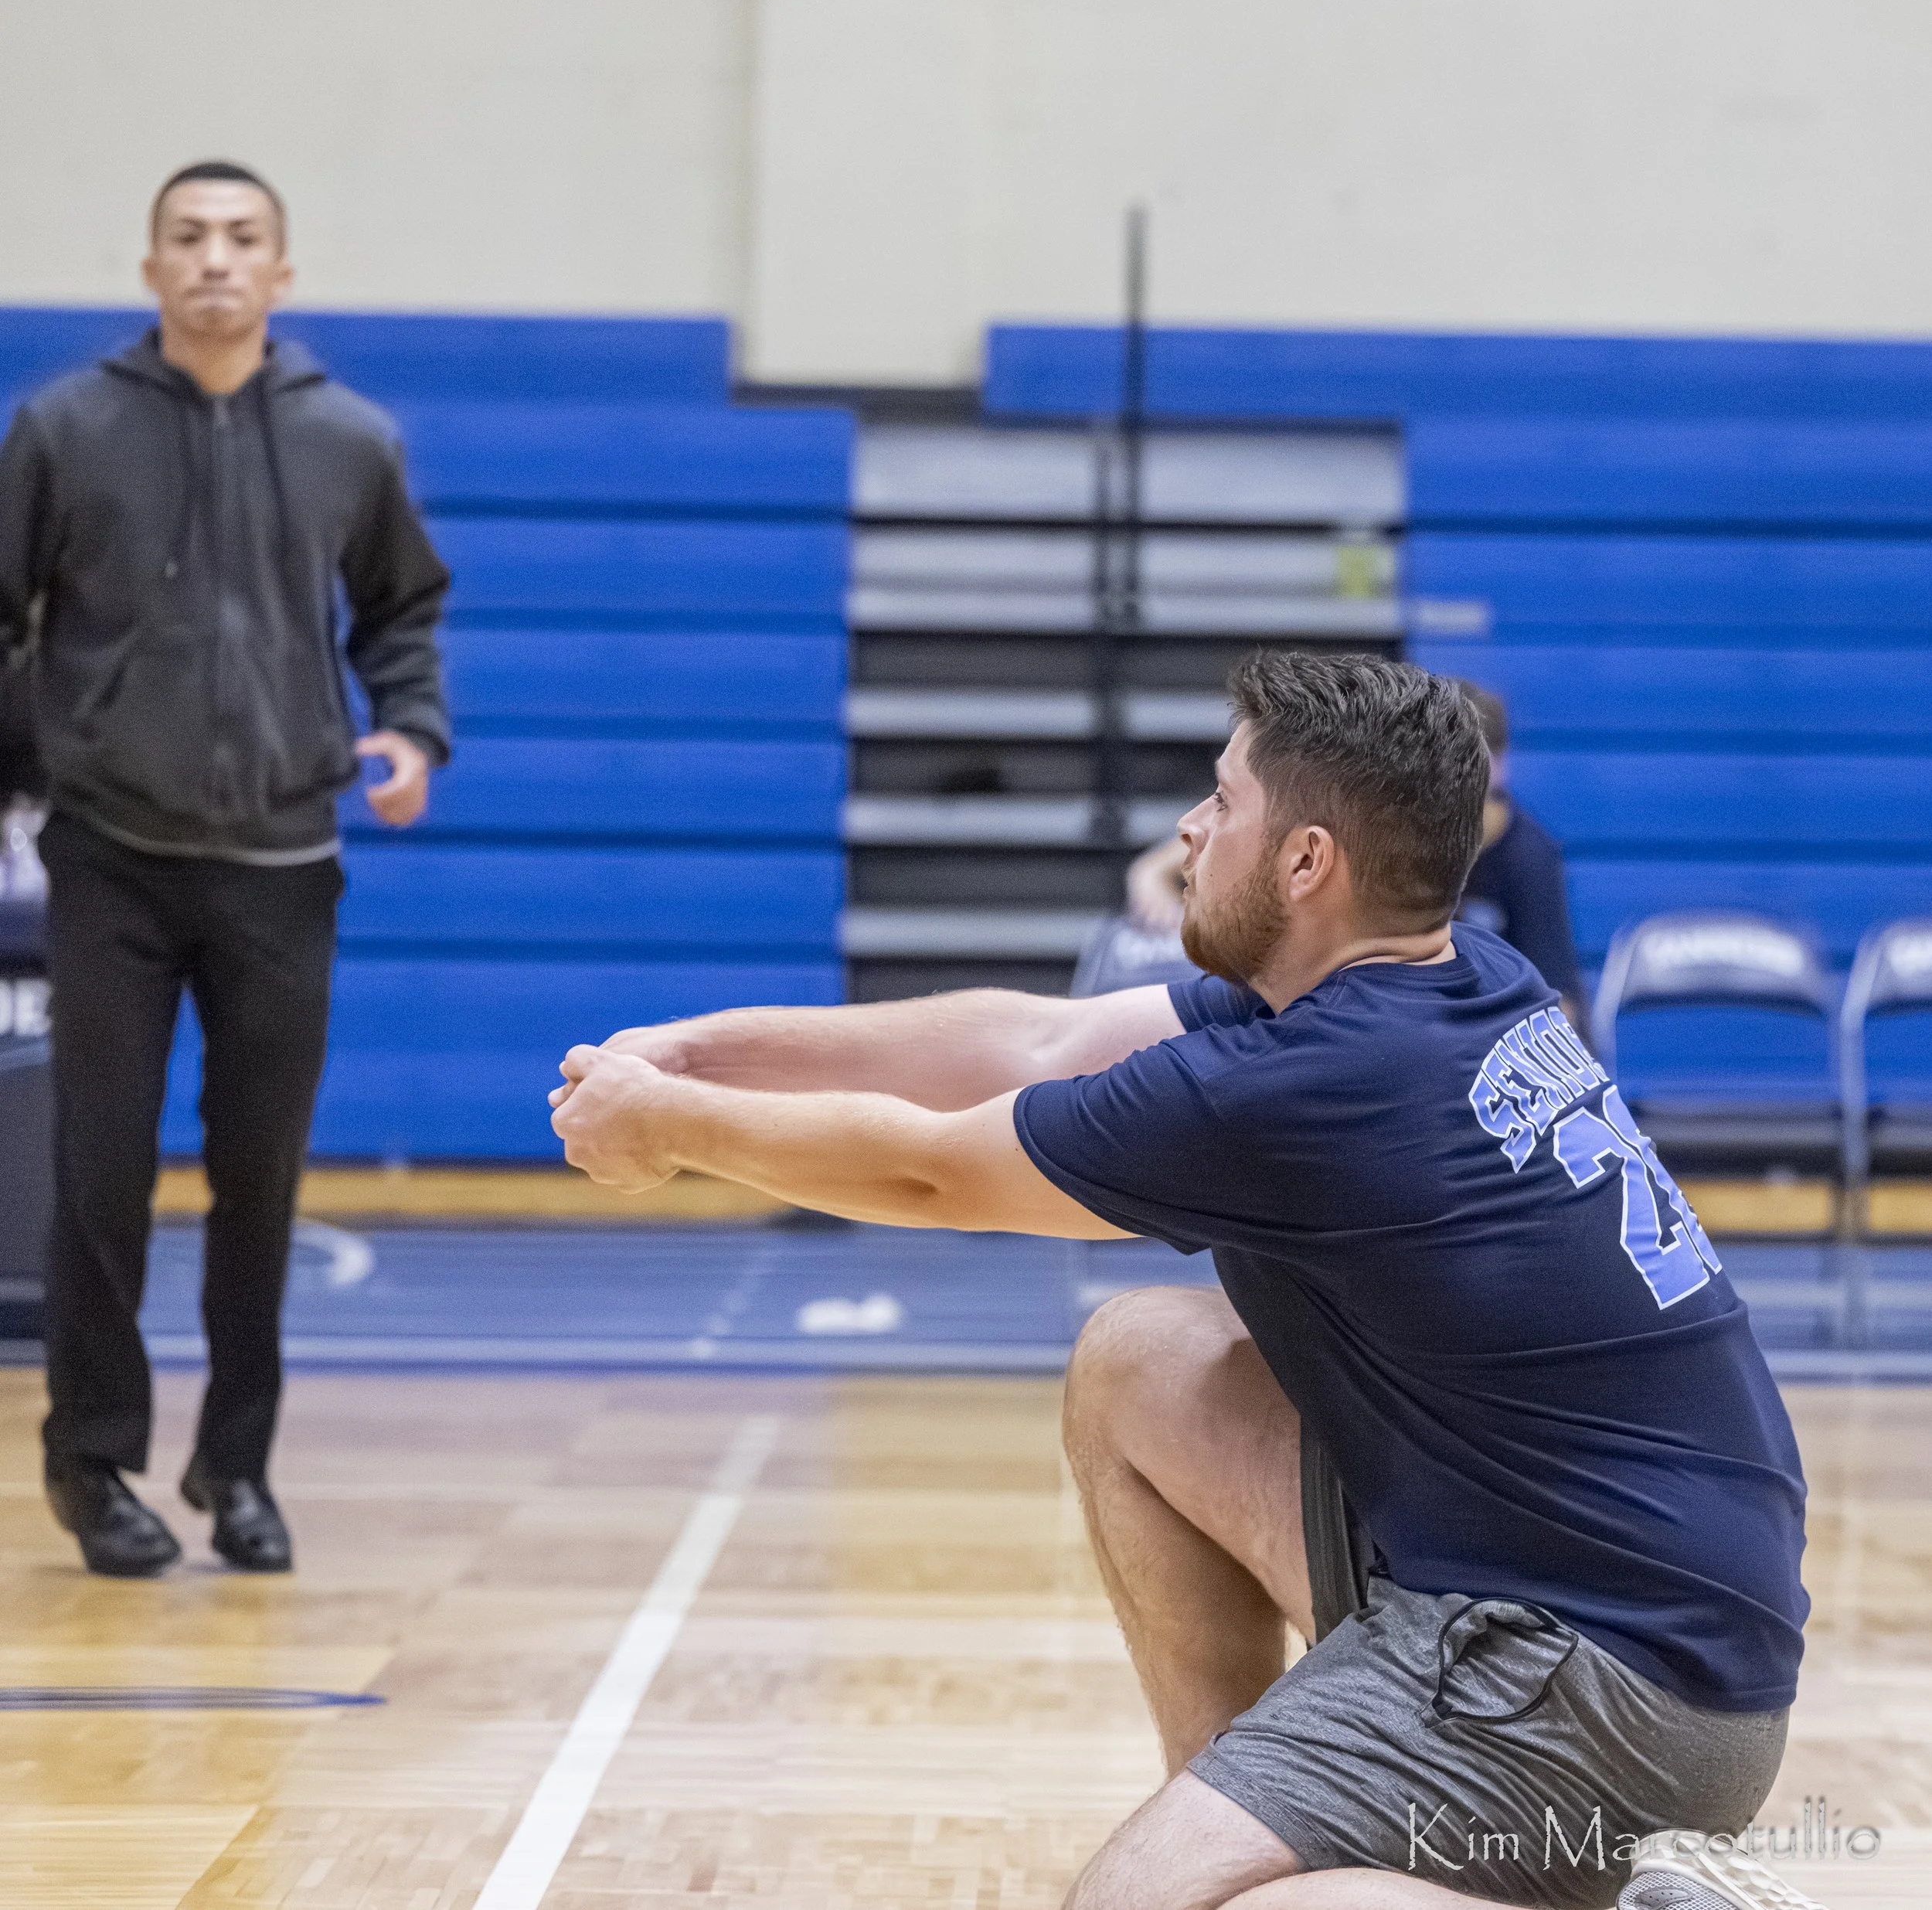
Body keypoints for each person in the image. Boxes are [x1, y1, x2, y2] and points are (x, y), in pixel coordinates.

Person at [551, 654, 1809, 1910]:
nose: (1191, 829)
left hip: (1585, 1681)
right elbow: (1029, 1038)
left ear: (1307, 860)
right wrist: (698, 1053)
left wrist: (674, 1129)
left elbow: (933, 1176)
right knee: (1142, 1360)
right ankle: (1248, 1799)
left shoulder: (1313, 1089)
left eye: (1221, 799)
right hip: (1645, 1619)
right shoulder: (1458, 981)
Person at [0, 162, 451, 1580]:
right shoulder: (63, 427)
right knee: (100, 1175)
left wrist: (413, 728)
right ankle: (92, 1467)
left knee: (259, 1180)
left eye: (241, 239)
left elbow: (401, 609)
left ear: (282, 271)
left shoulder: (349, 439)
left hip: (283, 862)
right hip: (111, 862)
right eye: (188, 238)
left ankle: (238, 1468)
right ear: (149, 269)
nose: (214, 260)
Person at [1125, 678, 1584, 1025]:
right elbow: (1241, 828)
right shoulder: (1392, 827)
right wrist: (1151, 873)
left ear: (1496, 771)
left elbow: (1556, 1000)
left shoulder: (1528, 858)